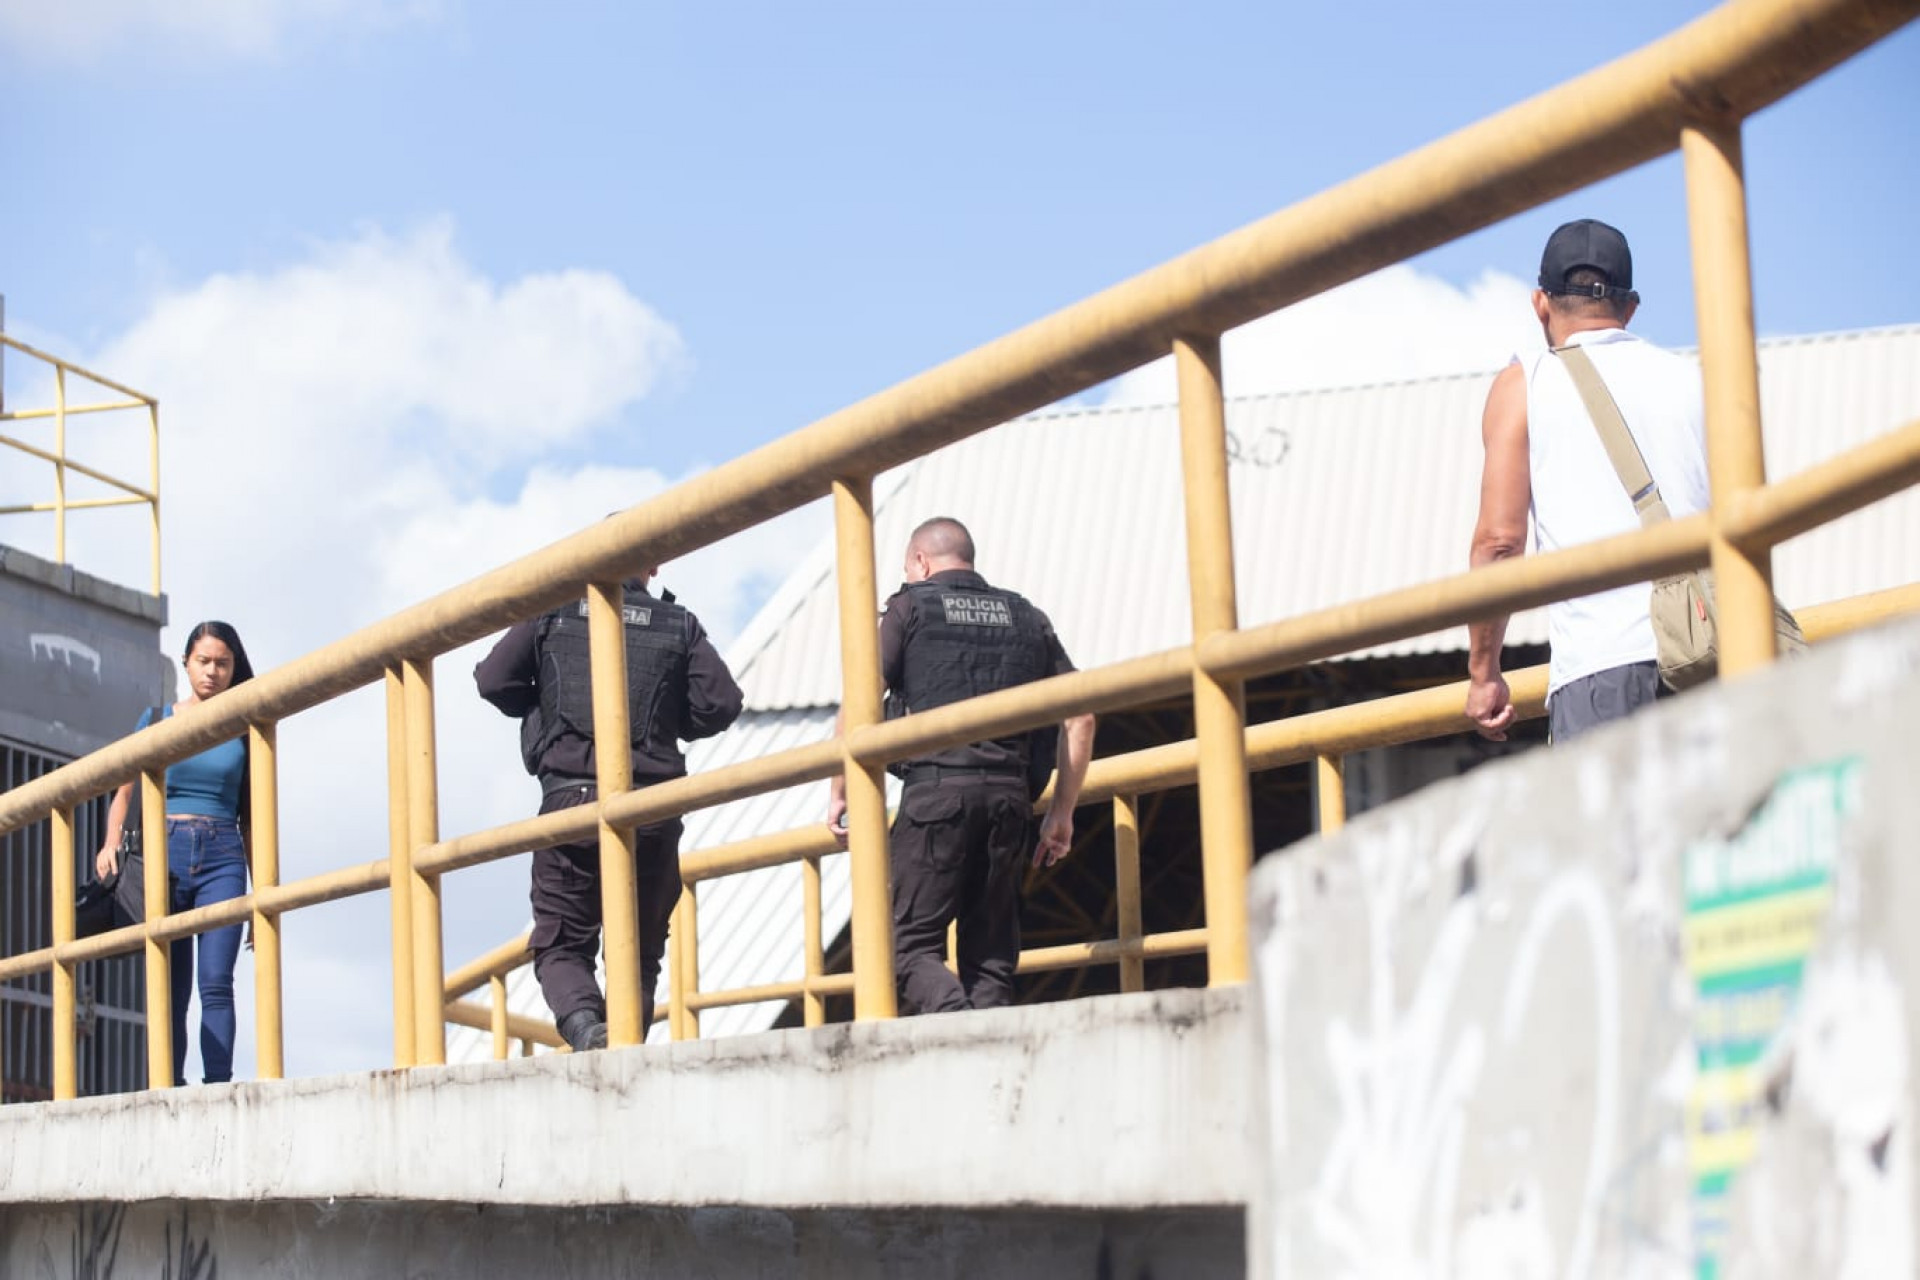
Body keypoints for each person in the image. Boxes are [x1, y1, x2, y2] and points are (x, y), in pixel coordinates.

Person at [826, 517, 1095, 1016]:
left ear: (921, 562)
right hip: (1011, 804)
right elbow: (1081, 715)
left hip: (936, 797)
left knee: (905, 948)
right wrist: (1061, 812)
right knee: (991, 958)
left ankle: (958, 1024)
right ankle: (987, 1047)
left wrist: (840, 791)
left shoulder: (910, 607)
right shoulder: (1027, 616)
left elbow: (860, 703)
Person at [475, 567, 743, 1051]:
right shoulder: (677, 622)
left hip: (572, 802)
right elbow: (721, 703)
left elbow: (494, 680)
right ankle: (623, 1046)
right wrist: (667, 723)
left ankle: (588, 1031)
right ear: (654, 567)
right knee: (638, 952)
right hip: (653, 808)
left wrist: (543, 701)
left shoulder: (552, 609)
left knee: (561, 942)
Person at [1466, 218, 1710, 744]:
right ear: (1630, 308)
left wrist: (1484, 674)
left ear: (1540, 304)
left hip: (1604, 673)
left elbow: (1499, 545)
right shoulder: (1697, 381)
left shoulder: (1524, 385)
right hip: (1714, 662)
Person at [95, 620, 257, 1086]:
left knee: (216, 983)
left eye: (223, 663)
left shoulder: (246, 724)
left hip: (224, 855)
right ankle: (169, 1087)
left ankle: (218, 1087)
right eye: (203, 661)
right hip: (165, 852)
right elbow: (123, 792)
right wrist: (110, 842)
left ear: (234, 668)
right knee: (171, 988)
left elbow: (254, 817)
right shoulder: (157, 719)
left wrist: (263, 889)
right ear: (186, 663)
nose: (212, 672)